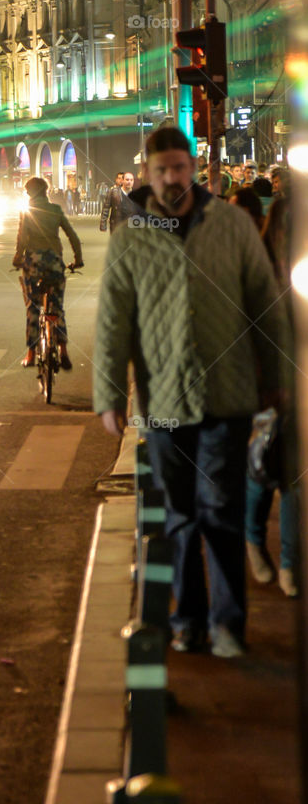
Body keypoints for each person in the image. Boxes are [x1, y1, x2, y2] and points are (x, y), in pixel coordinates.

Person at [93, 126, 289, 658]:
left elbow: (264, 303)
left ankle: (228, 625)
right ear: (148, 173)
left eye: (180, 167)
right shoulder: (132, 237)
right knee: (179, 514)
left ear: (194, 166)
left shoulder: (230, 224)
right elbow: (114, 320)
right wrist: (111, 394)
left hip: (227, 397)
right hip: (162, 399)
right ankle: (188, 621)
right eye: (162, 170)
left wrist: (277, 380)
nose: (173, 178)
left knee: (220, 507)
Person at [245, 190, 299, 598]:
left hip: (300, 385)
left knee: (295, 477)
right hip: (266, 386)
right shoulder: (258, 271)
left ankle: (290, 563)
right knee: (263, 469)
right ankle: (253, 542)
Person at [13, 175, 83, 371]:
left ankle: (31, 354)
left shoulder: (27, 212)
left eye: (27, 192)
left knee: (33, 307)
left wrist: (18, 257)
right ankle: (63, 351)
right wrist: (78, 260)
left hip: (33, 263)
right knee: (57, 307)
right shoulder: (56, 210)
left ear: (31, 193)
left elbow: (22, 238)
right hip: (55, 262)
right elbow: (73, 236)